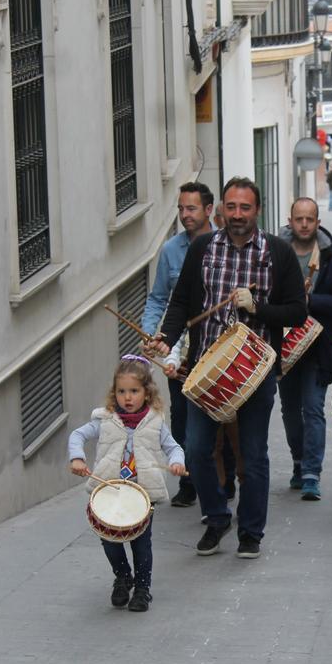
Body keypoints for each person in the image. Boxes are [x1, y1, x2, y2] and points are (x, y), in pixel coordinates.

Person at [150, 177, 307, 559]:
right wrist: (166, 340)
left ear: (258, 210)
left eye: (245, 208)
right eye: (231, 208)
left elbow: (298, 312)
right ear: (221, 209)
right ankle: (217, 516)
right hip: (207, 368)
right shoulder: (203, 248)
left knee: (253, 455)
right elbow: (182, 302)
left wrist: (258, 308)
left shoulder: (278, 253)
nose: (237, 215)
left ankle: (251, 532)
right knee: (197, 449)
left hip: (255, 371)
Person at [67, 355, 187, 612]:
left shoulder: (155, 422)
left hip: (142, 494)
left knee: (141, 543)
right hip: (109, 491)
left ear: (147, 392)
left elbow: (173, 447)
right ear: (114, 392)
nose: (128, 398)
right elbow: (78, 435)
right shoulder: (105, 419)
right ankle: (122, 577)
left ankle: (143, 589)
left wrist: (177, 462)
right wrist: (77, 457)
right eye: (122, 391)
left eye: (134, 391)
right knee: (109, 539)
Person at [141, 181, 212, 507]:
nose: (185, 215)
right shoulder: (171, 250)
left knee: (218, 415)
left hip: (215, 347)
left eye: (191, 208)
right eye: (181, 208)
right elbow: (158, 299)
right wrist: (150, 332)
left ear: (208, 210)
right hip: (179, 349)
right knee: (181, 416)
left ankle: (221, 480)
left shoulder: (223, 246)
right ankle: (188, 483)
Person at [277, 198, 332, 501]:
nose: (304, 224)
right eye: (299, 219)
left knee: (312, 409)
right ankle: (297, 461)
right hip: (282, 347)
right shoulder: (275, 253)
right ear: (290, 221)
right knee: (290, 411)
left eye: (310, 219)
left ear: (318, 222)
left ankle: (311, 473)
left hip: (319, 349)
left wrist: (309, 304)